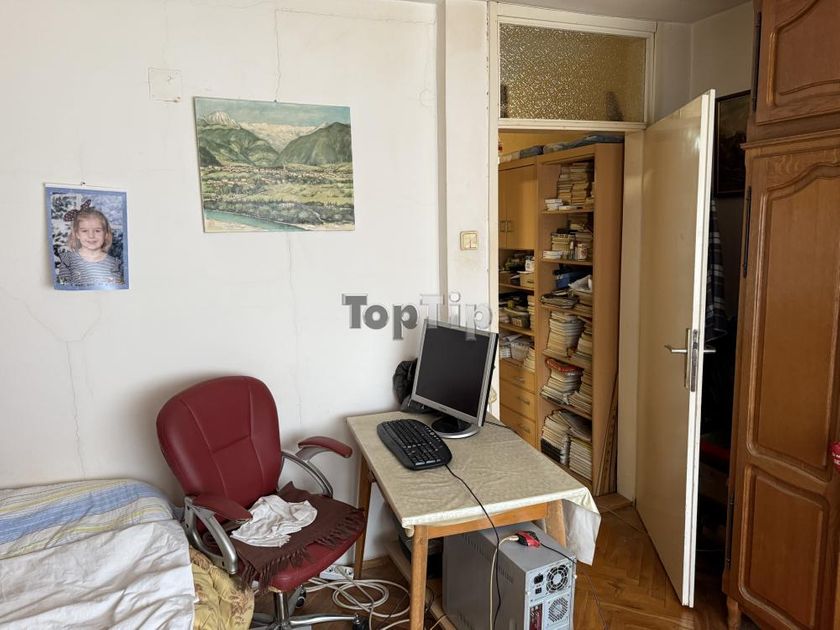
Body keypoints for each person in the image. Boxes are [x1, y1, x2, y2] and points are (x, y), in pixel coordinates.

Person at [57, 202, 123, 287]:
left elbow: (117, 289)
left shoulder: (114, 263)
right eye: (84, 231)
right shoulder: (68, 260)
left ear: (106, 234)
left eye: (97, 231)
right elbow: (63, 288)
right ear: (77, 234)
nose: (91, 236)